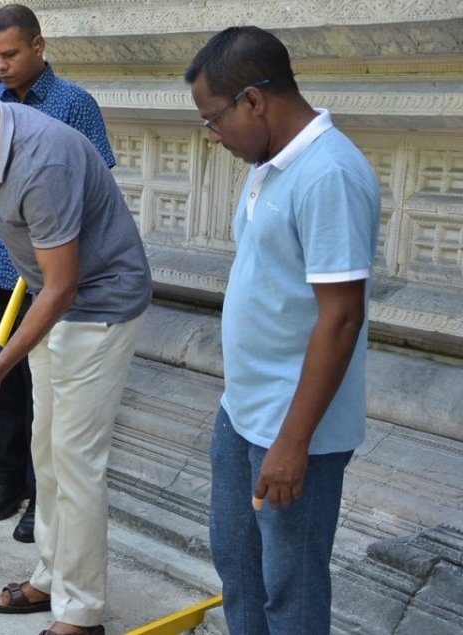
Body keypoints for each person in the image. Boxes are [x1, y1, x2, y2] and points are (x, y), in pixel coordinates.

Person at [0, 56, 151, 635]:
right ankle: (51, 575)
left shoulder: (42, 159)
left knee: (76, 462)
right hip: (56, 300)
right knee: (47, 450)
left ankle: (83, 610)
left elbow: (64, 286)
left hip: (98, 307)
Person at [185, 27, 380, 634]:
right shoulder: (269, 162)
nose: (213, 137)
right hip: (243, 411)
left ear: (253, 100)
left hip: (299, 432)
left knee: (290, 590)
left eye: (214, 119)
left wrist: (292, 442)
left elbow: (341, 316)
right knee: (238, 568)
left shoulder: (330, 175)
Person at [0, 4, 117, 544]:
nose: (0, 65)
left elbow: (97, 185)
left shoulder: (75, 105)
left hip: (50, 273)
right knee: (0, 380)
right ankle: (5, 482)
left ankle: (41, 500)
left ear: (38, 47)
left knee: (39, 385)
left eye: (10, 54)